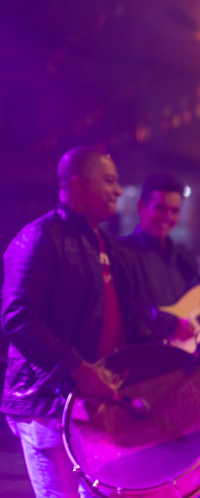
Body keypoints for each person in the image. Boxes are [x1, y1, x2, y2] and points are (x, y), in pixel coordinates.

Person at [1, 146, 176, 497]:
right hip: (47, 406)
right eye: (109, 181)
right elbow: (17, 317)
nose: (118, 190)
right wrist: (76, 367)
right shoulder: (39, 238)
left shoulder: (109, 247)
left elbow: (129, 315)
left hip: (96, 406)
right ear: (79, 184)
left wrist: (169, 354)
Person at [118, 172, 200, 352]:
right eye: (160, 208)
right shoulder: (121, 252)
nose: (167, 217)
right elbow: (123, 306)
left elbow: (197, 311)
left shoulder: (183, 257)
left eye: (175, 211)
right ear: (141, 207)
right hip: (141, 357)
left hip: (182, 358)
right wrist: (170, 325)